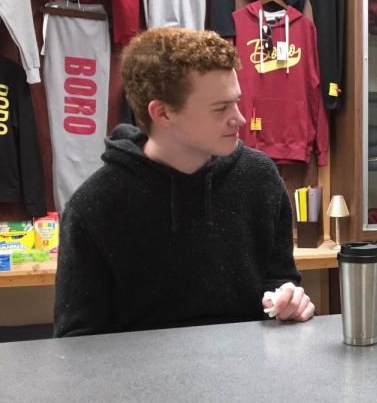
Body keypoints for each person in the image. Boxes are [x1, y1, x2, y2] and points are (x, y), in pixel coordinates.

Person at [54, 27, 314, 337]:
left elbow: (279, 279)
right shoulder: (93, 207)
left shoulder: (260, 178)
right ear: (163, 113)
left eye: (236, 102)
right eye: (221, 108)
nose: (240, 119)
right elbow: (76, 342)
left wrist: (289, 301)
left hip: (250, 373)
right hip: (139, 380)